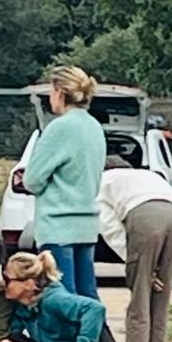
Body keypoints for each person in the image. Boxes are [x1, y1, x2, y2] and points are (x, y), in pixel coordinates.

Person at [97, 156, 172, 342]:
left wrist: (136, 264)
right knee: (161, 300)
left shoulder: (103, 181)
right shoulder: (148, 176)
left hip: (145, 218)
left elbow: (111, 229)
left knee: (139, 302)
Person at [22, 66, 106, 299]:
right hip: (87, 225)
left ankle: (69, 338)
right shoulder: (94, 127)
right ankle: (94, 336)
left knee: (62, 298)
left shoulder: (59, 127)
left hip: (57, 225)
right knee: (87, 297)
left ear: (59, 92)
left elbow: (32, 179)